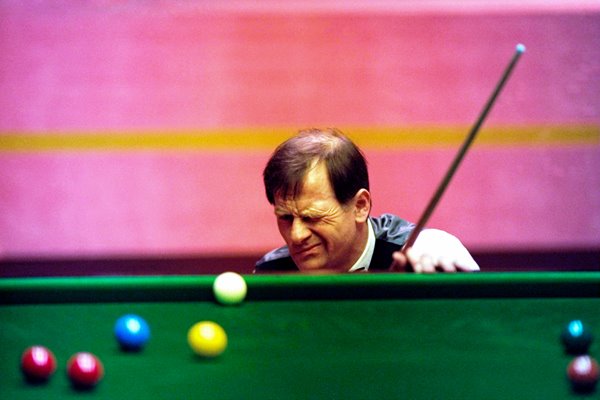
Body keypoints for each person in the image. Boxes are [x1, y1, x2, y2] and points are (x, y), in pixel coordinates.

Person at [255, 128, 479, 273]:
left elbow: (434, 245)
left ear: (360, 206)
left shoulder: (422, 251)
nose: (296, 235)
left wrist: (436, 260)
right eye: (285, 217)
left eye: (312, 217)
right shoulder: (271, 271)